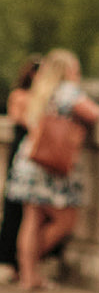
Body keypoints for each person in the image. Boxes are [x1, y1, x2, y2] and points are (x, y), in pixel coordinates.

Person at [5, 49, 99, 293]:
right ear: (68, 70)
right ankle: (29, 265)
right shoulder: (67, 90)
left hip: (30, 158)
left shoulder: (38, 91)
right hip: (51, 164)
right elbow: (94, 114)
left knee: (32, 219)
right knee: (65, 220)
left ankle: (28, 276)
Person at [0, 56, 41, 279]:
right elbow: (21, 119)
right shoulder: (20, 95)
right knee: (13, 205)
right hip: (21, 151)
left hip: (31, 153)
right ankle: (7, 259)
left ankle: (19, 261)